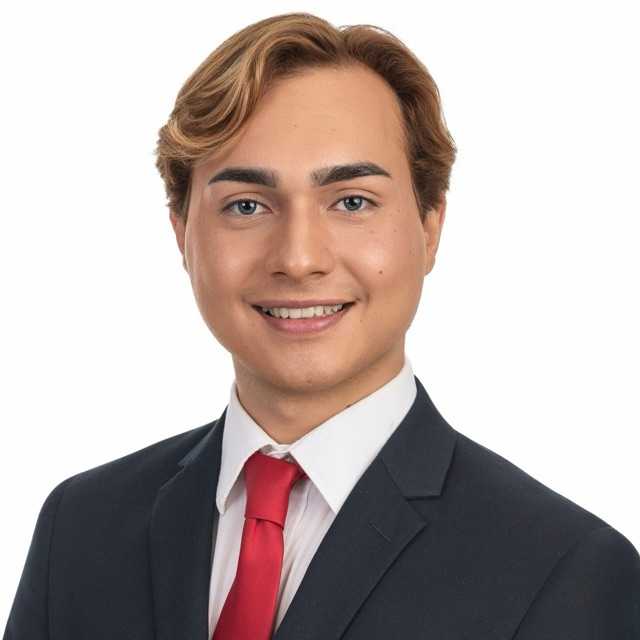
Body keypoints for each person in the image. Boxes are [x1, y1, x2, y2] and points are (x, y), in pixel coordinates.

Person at [4, 11, 639, 640]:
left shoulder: (568, 572)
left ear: (430, 227)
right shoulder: (79, 530)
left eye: (352, 201)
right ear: (182, 234)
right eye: (246, 205)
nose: (299, 258)